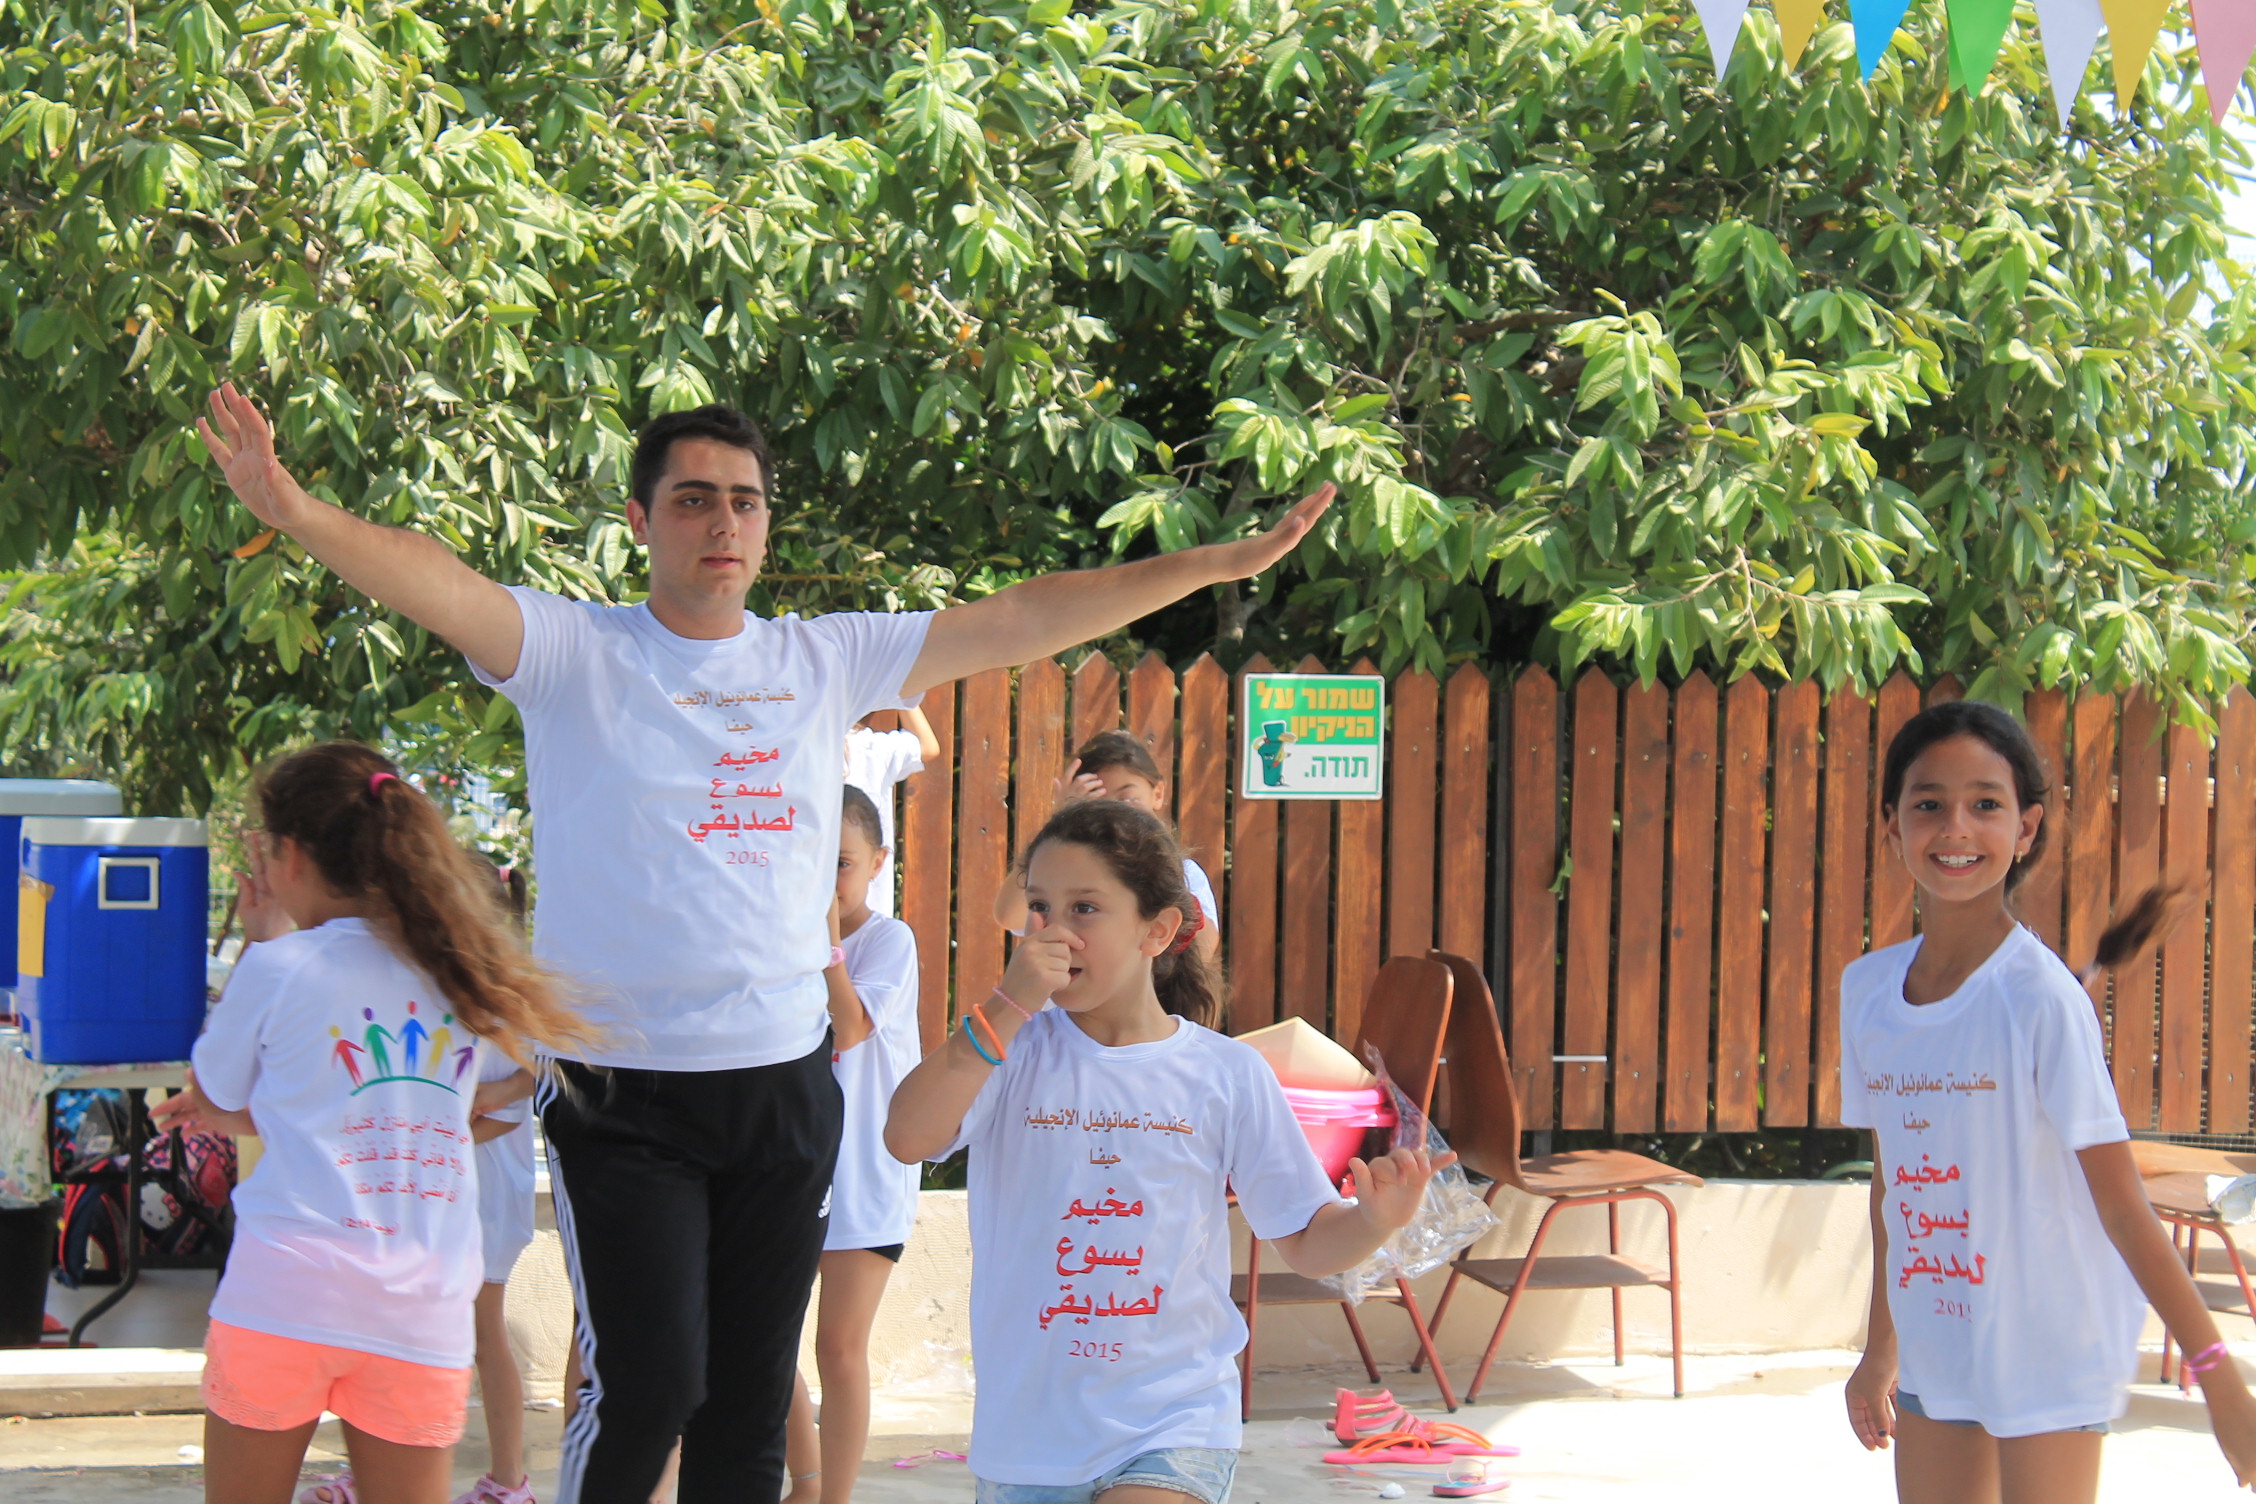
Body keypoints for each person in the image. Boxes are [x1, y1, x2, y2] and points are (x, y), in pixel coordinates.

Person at [196, 383, 1336, 1504]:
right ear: (641, 520)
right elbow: (436, 581)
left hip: (783, 1084)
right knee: (648, 1388)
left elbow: (1022, 615)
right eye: (693, 500)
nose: (724, 523)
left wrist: (1210, 564)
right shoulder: (572, 651)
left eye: (744, 501)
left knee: (749, 1405)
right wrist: (294, 509)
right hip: (620, 1089)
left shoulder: (822, 656)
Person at [885, 799, 1451, 1504]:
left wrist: (1373, 1220)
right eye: (1039, 907)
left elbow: (1308, 1242)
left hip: (1176, 1422)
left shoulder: (1227, 1073)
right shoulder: (1007, 1049)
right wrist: (1006, 1005)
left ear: (1157, 930)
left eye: (1084, 908)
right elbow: (906, 1137)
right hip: (1029, 1440)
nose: (1053, 931)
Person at [150, 744, 593, 1504]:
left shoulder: (281, 964)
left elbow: (215, 1096)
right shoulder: (458, 974)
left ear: (291, 855)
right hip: (421, 1308)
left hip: (284, 1297)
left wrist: (264, 939)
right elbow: (478, 1105)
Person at [1840, 700, 2256, 1501]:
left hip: (2050, 1351)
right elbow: (1896, 1186)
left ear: (2026, 828)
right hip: (1937, 1349)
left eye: (1985, 804)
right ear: (1891, 824)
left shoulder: (2040, 999)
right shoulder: (1867, 993)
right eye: (1928, 804)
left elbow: (2124, 1208)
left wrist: (2220, 1382)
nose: (1956, 828)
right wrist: (1881, 1347)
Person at [782, 785, 924, 1503]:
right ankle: (805, 1485)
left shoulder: (889, 942)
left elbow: (851, 1026)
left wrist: (820, 942)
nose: (825, 878)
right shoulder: (778, 944)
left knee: (838, 1349)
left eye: (839, 862)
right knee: (763, 1342)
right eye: (809, 860)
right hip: (786, 1170)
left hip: (864, 1175)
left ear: (877, 862)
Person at [993, 730, 1222, 965]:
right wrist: (1060, 821)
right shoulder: (1064, 873)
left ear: (1158, 794)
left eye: (1128, 799)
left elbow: (1202, 948)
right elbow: (1008, 915)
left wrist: (1160, 862)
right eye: (1099, 803)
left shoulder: (1186, 872)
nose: (1115, 813)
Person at [456, 860, 539, 1504]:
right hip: (453, 1185)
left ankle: (509, 1479)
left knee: (486, 1336)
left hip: (483, 1193)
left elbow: (510, 1100)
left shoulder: (503, 998)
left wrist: (433, 1133)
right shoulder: (456, 990)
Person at [844, 708, 938, 918]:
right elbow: (927, 746)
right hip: (867, 910)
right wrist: (901, 693)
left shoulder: (796, 744)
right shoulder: (870, 748)